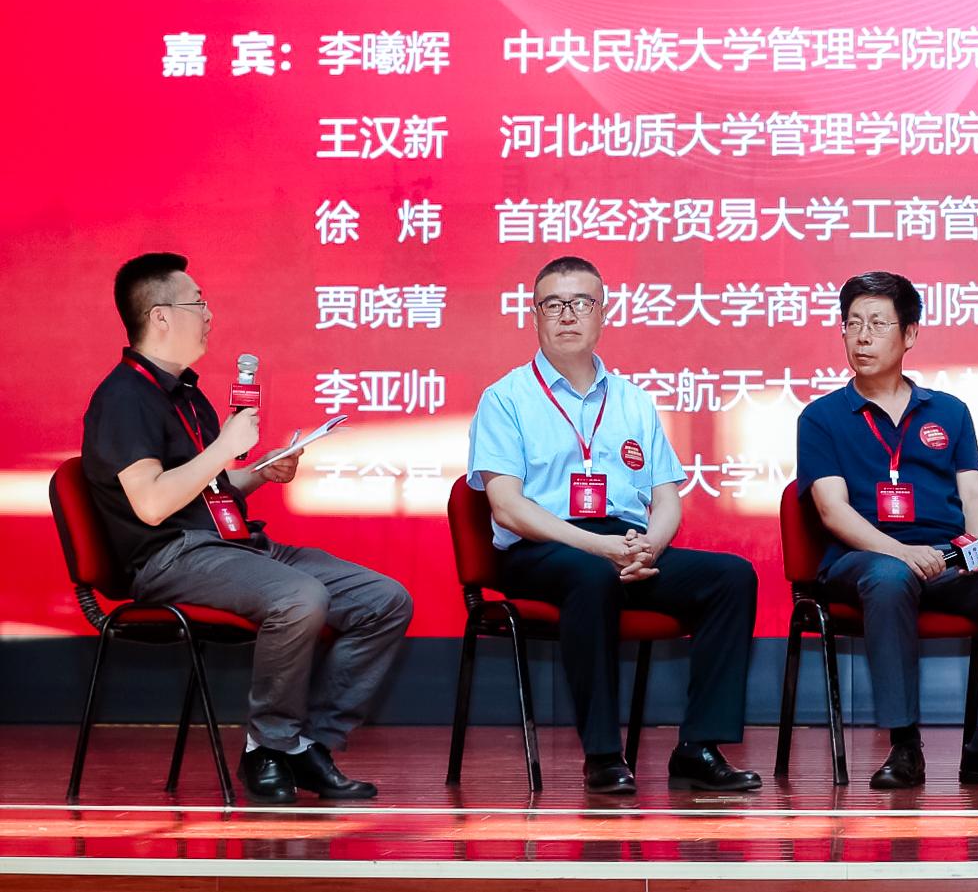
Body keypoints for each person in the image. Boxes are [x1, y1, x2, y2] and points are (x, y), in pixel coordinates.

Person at [81, 253, 413, 803]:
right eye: (199, 303)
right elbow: (152, 503)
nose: (209, 314)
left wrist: (259, 471)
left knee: (384, 600)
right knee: (300, 597)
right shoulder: (122, 398)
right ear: (160, 316)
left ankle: (307, 745)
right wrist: (223, 448)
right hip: (172, 556)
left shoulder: (185, 393)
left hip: (233, 547)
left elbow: (207, 487)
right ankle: (267, 746)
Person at [467, 255, 762, 795]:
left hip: (623, 546)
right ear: (534, 316)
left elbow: (666, 499)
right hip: (542, 547)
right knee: (590, 574)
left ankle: (699, 747)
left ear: (604, 313)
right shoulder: (505, 398)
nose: (567, 315)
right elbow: (507, 507)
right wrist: (599, 548)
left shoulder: (632, 400)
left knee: (731, 577)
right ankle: (603, 754)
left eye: (582, 302)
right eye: (553, 304)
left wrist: (649, 548)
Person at [795, 270, 978, 790]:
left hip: (946, 558)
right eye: (852, 324)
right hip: (863, 559)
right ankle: (904, 744)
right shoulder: (822, 417)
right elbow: (831, 510)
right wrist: (900, 551)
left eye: (877, 324)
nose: (862, 337)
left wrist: (976, 543)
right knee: (890, 577)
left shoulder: (949, 412)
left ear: (910, 334)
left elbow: (974, 491)